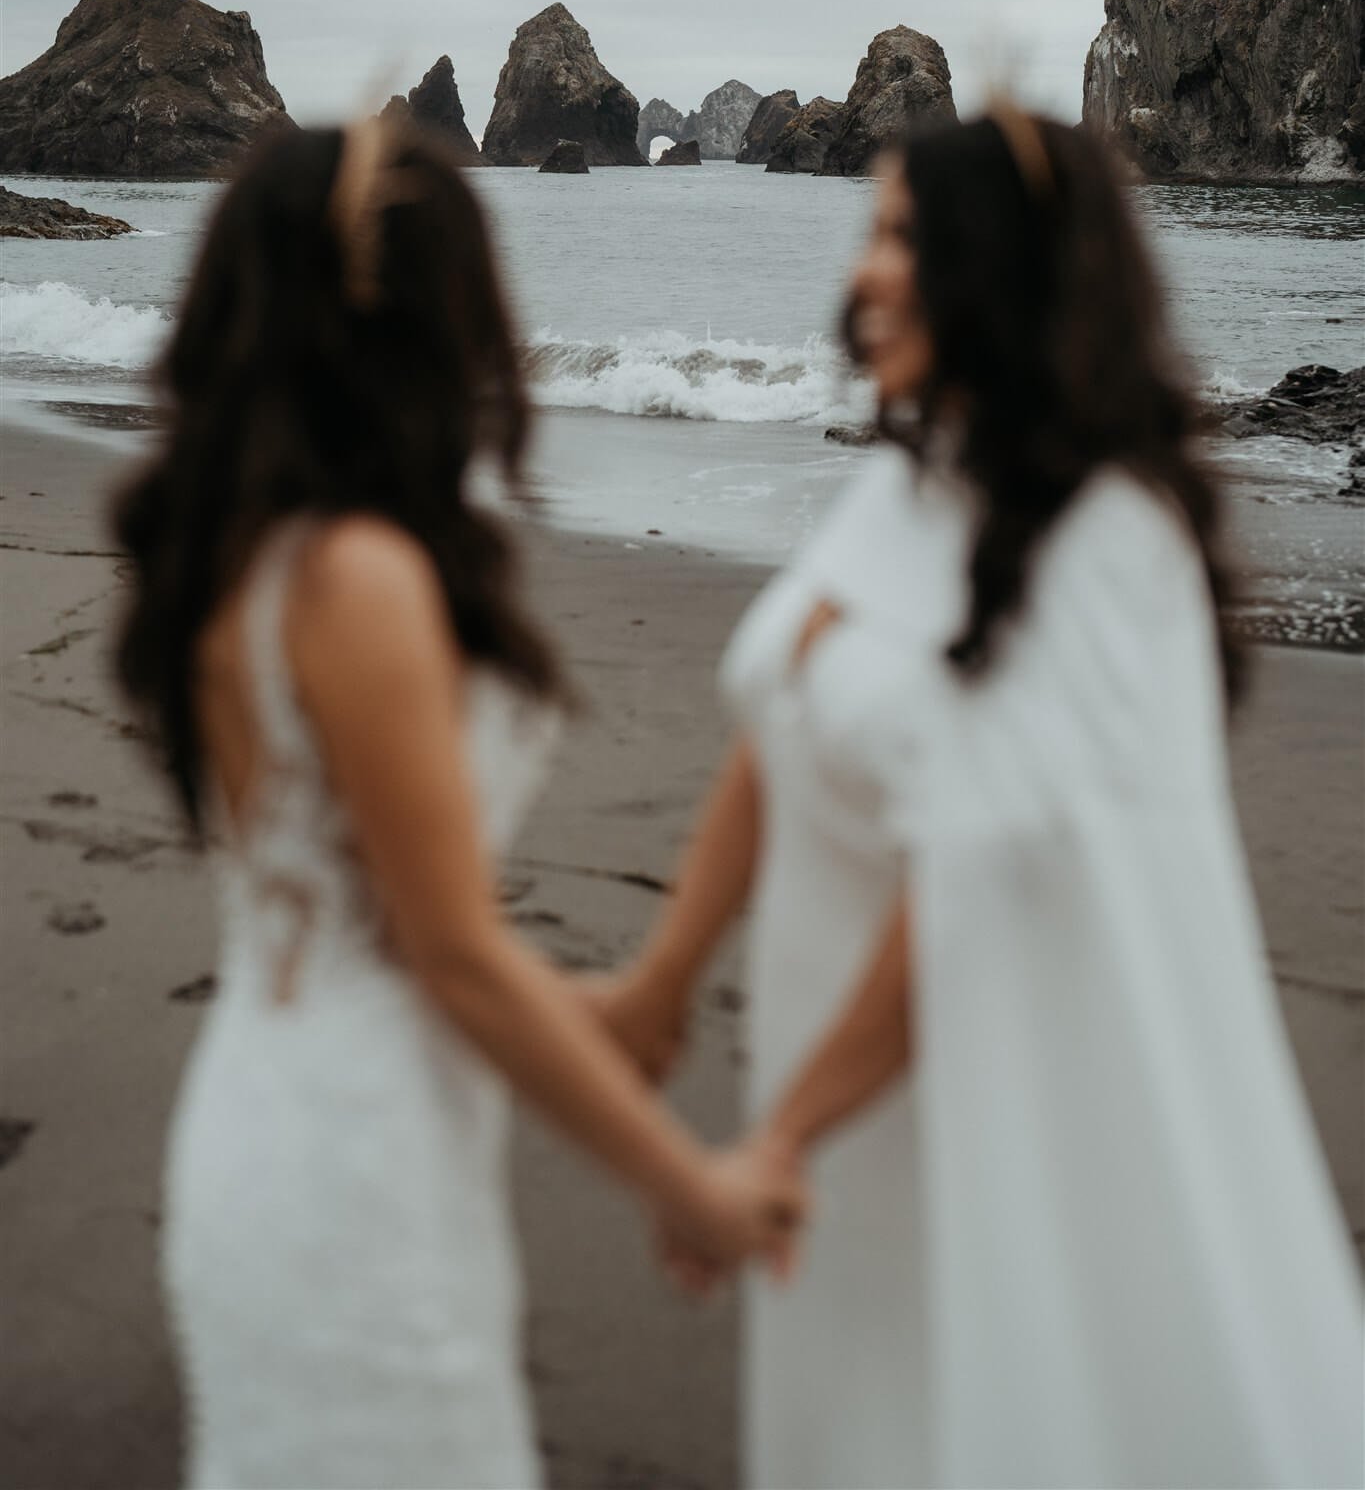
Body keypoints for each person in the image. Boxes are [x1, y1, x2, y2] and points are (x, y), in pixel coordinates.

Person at [588, 105, 1364, 1490]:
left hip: (992, 1108)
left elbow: (975, 890)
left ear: (998, 267)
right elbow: (779, 730)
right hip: (844, 1098)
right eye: (867, 235)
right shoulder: (907, 478)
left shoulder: (1110, 541)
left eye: (899, 236)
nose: (866, 272)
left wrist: (779, 1136)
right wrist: (660, 983)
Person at [112, 117, 805, 1490]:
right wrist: (694, 1189)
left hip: (283, 1109)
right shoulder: (356, 574)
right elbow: (447, 955)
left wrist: (600, 1010)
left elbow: (379, 924)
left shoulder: (247, 548)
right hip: (354, 1175)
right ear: (425, 311)